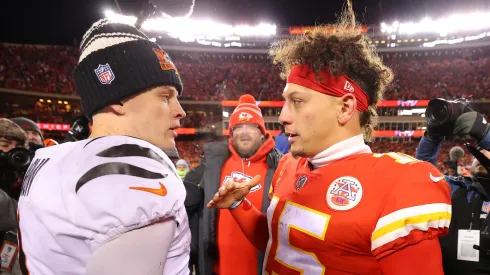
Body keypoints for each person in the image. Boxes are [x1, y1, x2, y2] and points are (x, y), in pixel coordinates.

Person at [207, 2, 452, 274]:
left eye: (297, 101)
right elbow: (279, 244)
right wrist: (239, 205)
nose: (284, 117)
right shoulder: (289, 166)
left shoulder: (399, 184)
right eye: (285, 102)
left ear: (345, 108)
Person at [17, 19, 190, 275]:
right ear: (117, 98)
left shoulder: (50, 158)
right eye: (165, 97)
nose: (181, 112)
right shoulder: (132, 169)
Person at [184, 94, 283, 275]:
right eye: (238, 127)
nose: (244, 132)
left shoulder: (280, 167)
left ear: (262, 132)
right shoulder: (212, 167)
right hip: (217, 270)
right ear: (231, 133)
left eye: (251, 126)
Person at [416, 110, 490, 275]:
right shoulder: (457, 187)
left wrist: (485, 134)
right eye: (477, 154)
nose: (481, 155)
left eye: (486, 150)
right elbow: (422, 172)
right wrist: (432, 137)